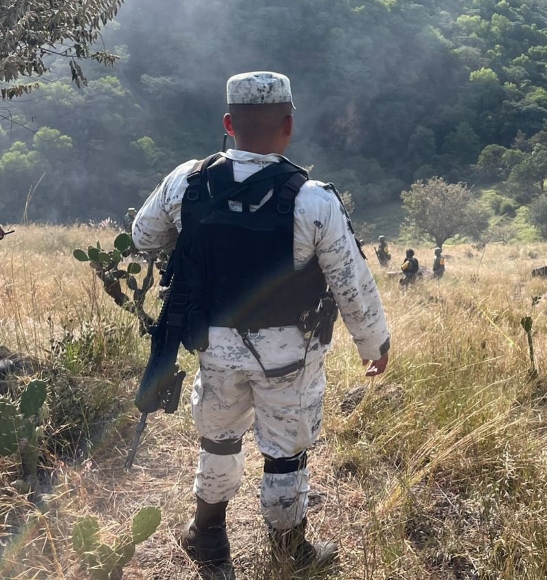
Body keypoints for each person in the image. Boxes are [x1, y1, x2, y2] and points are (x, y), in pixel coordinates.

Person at [131, 71, 391, 575]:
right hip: (290, 354)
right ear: (288, 126)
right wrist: (373, 343)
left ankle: (208, 538)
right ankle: (289, 549)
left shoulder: (187, 180)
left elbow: (143, 236)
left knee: (219, 440)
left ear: (229, 124)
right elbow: (350, 282)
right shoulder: (313, 199)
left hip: (214, 343)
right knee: (285, 452)